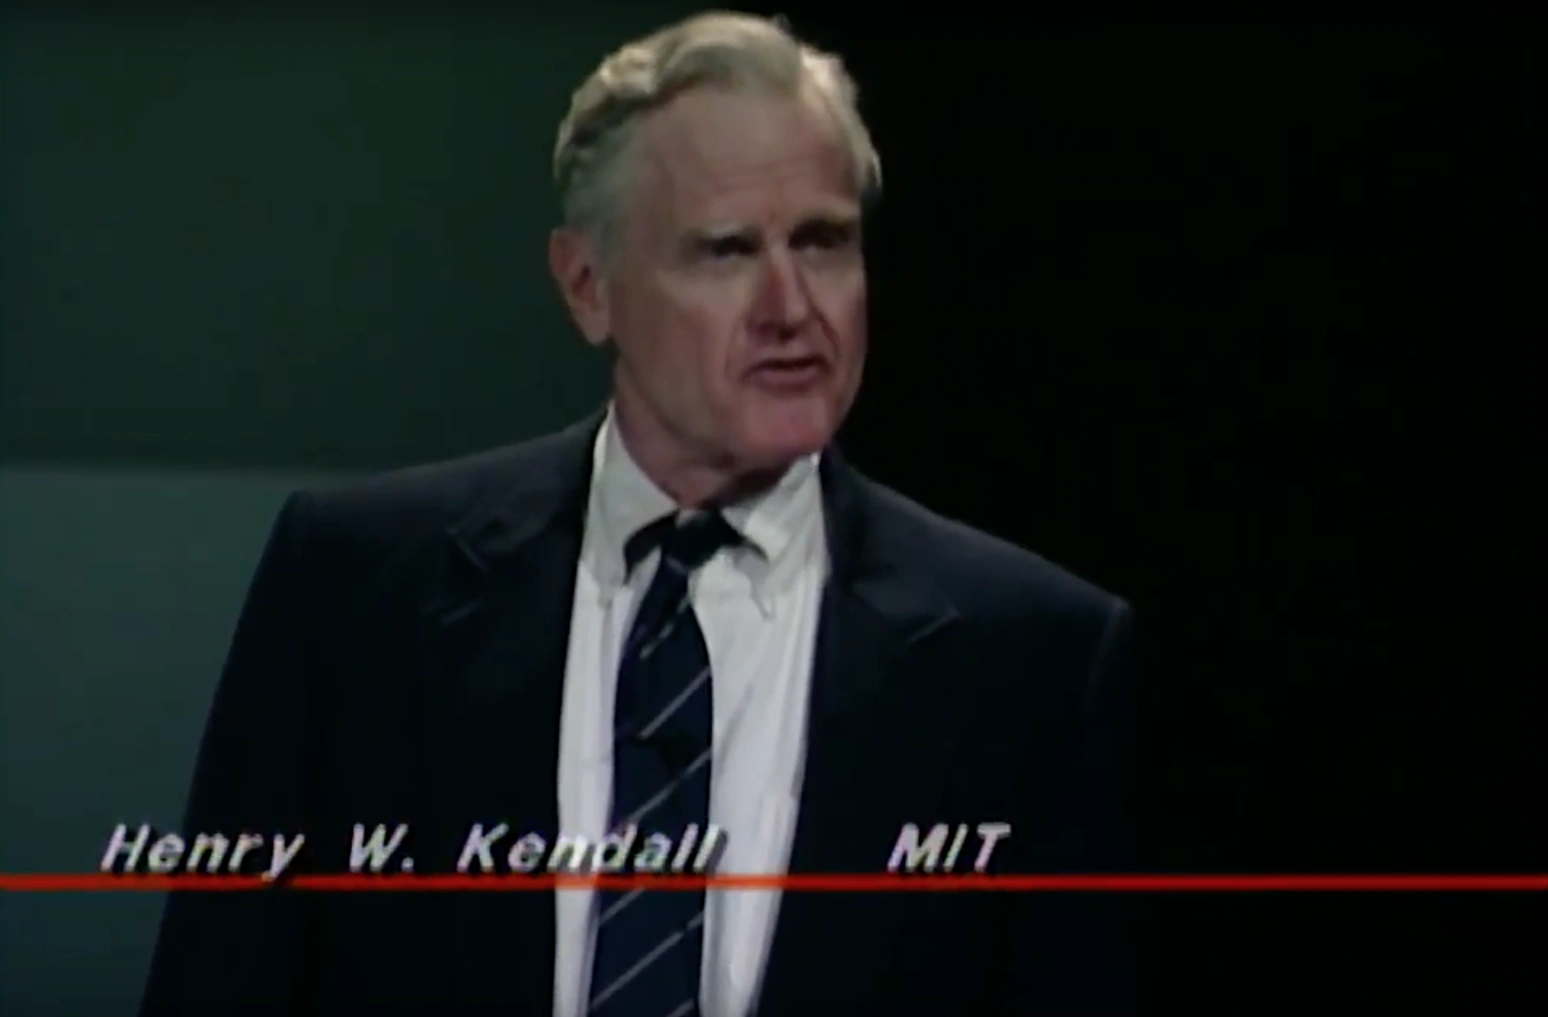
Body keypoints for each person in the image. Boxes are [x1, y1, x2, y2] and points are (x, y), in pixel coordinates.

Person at [140, 11, 1136, 1016]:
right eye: (726, 251)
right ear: (588, 287)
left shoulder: (1032, 659)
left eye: (824, 241)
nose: (792, 306)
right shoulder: (357, 594)